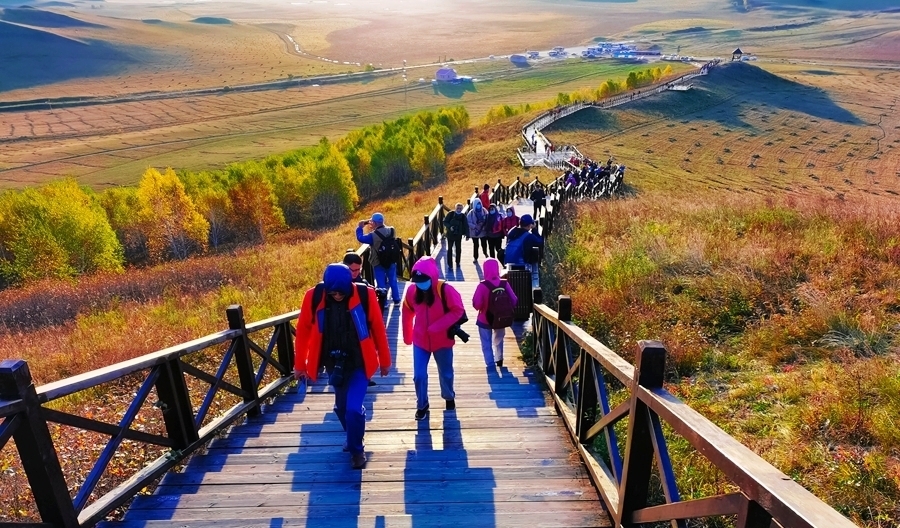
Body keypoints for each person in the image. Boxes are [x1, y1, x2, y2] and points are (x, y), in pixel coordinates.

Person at [294, 263, 392, 469]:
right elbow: (302, 330)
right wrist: (300, 364)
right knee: (341, 407)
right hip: (333, 362)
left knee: (354, 409)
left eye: (341, 292)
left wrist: (385, 360)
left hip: (359, 361)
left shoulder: (365, 295)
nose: (337, 296)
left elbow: (378, 328)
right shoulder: (314, 296)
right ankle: (353, 434)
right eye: (333, 293)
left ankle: (357, 450)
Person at [402, 257, 466, 420]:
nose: (420, 284)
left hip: (442, 340)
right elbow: (407, 311)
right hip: (420, 340)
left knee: (446, 374)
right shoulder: (412, 291)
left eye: (423, 280)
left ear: (432, 277)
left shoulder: (445, 290)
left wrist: (437, 326)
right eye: (417, 281)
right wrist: (407, 335)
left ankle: (449, 396)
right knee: (419, 375)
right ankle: (422, 404)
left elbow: (457, 310)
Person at [472, 258, 517, 369]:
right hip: (501, 318)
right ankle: (499, 358)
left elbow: (476, 304)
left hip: (485, 318)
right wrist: (505, 309)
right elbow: (515, 300)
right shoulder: (504, 283)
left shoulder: (482, 285)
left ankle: (490, 364)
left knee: (486, 343)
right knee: (499, 339)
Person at [356, 212, 401, 306]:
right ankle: (396, 300)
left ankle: (384, 302)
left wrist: (360, 227)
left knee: (381, 282)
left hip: (378, 261)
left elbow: (360, 238)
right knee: (393, 280)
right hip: (391, 259)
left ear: (374, 223)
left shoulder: (372, 235)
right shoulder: (392, 230)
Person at [504, 214, 544, 288]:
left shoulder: (511, 231)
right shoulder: (528, 236)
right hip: (521, 265)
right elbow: (540, 242)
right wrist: (534, 229)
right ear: (530, 225)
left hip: (508, 262)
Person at [442, 203, 469, 268]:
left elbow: (466, 226)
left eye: (460, 208)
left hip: (458, 235)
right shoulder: (450, 214)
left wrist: (467, 235)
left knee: (458, 249)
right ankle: (450, 264)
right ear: (455, 208)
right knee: (449, 249)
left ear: (462, 209)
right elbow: (445, 222)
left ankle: (457, 262)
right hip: (450, 235)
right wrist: (450, 227)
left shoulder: (463, 216)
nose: (459, 210)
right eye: (457, 208)